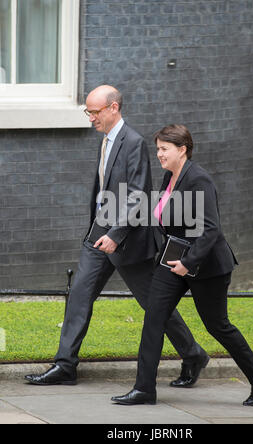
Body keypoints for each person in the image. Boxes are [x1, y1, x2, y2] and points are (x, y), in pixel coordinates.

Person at [25, 87, 208, 387]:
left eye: (94, 112)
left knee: (153, 302)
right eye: (88, 112)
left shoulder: (132, 142)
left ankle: (193, 354)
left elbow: (137, 195)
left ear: (113, 108)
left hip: (126, 238)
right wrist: (99, 227)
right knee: (80, 295)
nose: (90, 118)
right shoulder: (106, 141)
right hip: (99, 231)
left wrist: (115, 234)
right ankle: (65, 365)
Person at [112, 124, 253, 407]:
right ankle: (144, 389)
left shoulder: (199, 179)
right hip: (172, 257)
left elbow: (210, 230)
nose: (159, 154)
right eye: (158, 149)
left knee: (217, 325)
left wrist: (187, 263)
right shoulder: (169, 177)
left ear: (182, 149)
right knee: (154, 317)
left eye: (164, 149)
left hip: (206, 264)